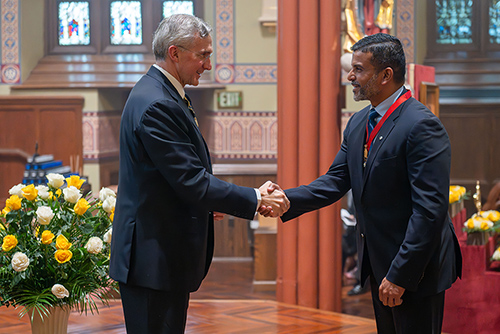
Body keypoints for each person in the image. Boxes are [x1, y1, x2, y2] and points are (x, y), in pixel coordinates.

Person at [109, 14, 289, 334]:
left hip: (161, 255)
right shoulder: (156, 103)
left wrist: (207, 203)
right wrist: (254, 196)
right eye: (202, 55)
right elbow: (190, 179)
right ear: (175, 53)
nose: (208, 65)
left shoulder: (162, 92)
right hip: (153, 258)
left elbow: (171, 177)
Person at [274, 33, 462, 333]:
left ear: (386, 74)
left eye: (359, 69)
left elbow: (429, 211)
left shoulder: (421, 125)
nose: (350, 76)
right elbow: (336, 180)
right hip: (379, 263)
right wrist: (285, 199)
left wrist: (400, 275)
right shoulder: (360, 121)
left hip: (415, 268)